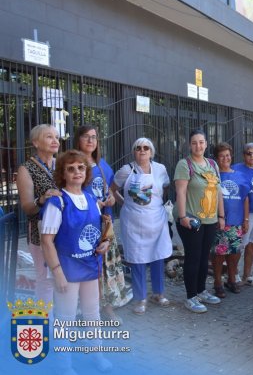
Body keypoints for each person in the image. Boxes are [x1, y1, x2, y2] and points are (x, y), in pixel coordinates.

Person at [39, 150, 112, 373]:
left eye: (80, 167)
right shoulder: (57, 201)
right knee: (65, 319)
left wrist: (105, 243)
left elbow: (98, 231)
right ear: (63, 173)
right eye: (70, 168)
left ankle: (97, 358)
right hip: (67, 269)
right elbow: (46, 241)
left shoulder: (91, 199)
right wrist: (58, 272)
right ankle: (64, 366)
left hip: (89, 266)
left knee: (93, 314)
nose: (77, 172)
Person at [74, 125, 131, 322]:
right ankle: (87, 311)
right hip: (83, 226)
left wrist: (112, 200)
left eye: (94, 137)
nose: (91, 141)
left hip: (104, 224)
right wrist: (92, 203)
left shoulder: (102, 165)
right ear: (78, 140)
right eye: (86, 137)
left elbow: (110, 192)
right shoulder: (73, 163)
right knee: (87, 268)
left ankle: (107, 309)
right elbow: (70, 192)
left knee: (106, 269)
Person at [111, 137, 172, 315]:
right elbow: (112, 190)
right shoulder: (125, 170)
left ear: (151, 152)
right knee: (138, 259)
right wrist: (125, 204)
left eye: (146, 148)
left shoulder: (160, 169)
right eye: (138, 148)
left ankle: (158, 294)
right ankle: (141, 298)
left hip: (156, 221)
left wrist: (156, 205)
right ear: (134, 152)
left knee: (158, 257)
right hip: (133, 222)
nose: (142, 150)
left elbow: (165, 187)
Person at [174, 129, 224, 313]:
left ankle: (202, 291)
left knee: (204, 257)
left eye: (201, 142)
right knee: (193, 257)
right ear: (189, 145)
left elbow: (219, 191)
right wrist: (182, 217)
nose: (198, 146)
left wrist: (221, 216)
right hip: (192, 220)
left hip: (210, 219)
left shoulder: (212, 164)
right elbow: (180, 192)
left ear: (206, 143)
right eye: (194, 142)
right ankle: (191, 296)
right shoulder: (184, 164)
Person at [16, 124, 61, 304]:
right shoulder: (26, 169)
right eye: (49, 136)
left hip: (64, 231)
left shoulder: (62, 165)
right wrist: (42, 199)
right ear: (35, 142)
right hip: (40, 232)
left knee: (62, 276)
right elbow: (27, 207)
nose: (55, 141)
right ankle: (45, 325)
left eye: (56, 137)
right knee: (46, 280)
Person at [212, 142, 250, 297]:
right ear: (216, 158)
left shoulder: (240, 175)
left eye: (227, 155)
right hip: (218, 221)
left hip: (236, 221)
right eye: (221, 156)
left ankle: (231, 279)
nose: (225, 158)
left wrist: (246, 219)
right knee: (219, 254)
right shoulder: (213, 176)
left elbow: (245, 198)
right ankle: (217, 282)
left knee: (234, 253)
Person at [232, 143, 253, 285]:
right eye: (248, 153)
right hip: (246, 212)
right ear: (243, 155)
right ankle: (234, 274)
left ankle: (247, 275)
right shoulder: (236, 169)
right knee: (241, 245)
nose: (251, 155)